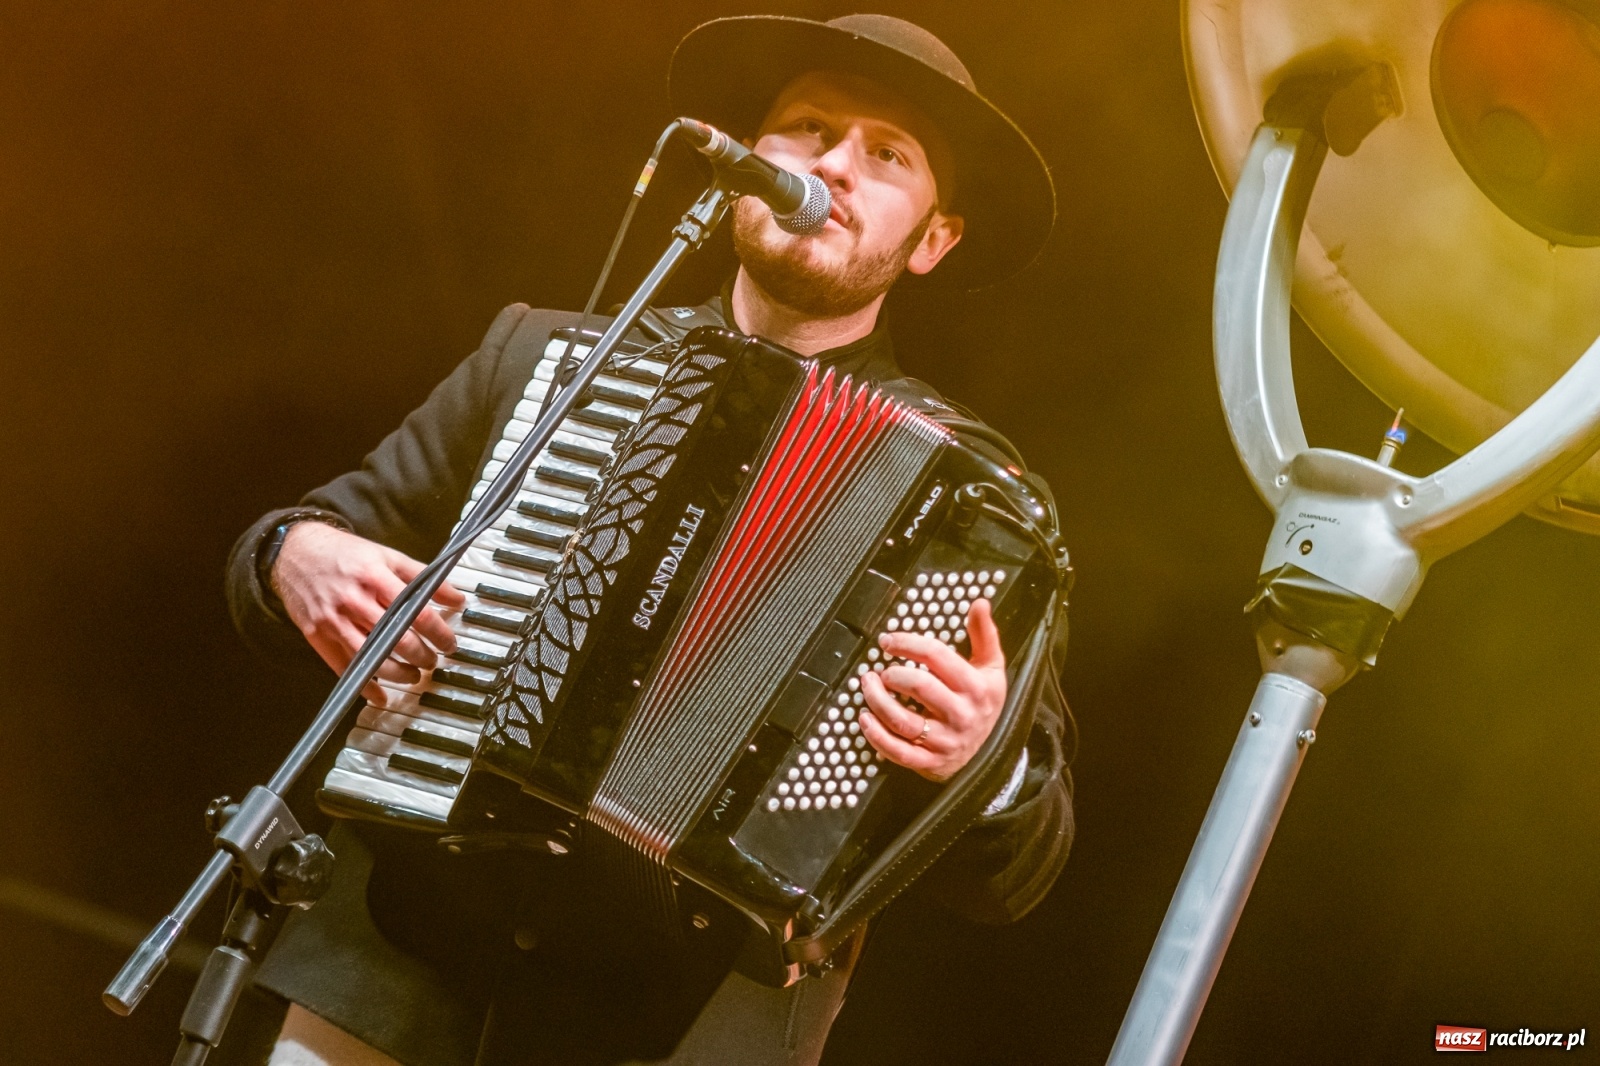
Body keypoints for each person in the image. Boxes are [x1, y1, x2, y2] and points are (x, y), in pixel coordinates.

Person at [226, 14, 1074, 1066]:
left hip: (695, 1024)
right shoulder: (545, 355)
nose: (832, 166)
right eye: (808, 128)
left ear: (935, 239)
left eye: (887, 154)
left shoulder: (975, 502)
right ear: (742, 166)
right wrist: (294, 556)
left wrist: (982, 763)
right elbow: (288, 552)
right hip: (398, 957)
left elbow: (1022, 863)